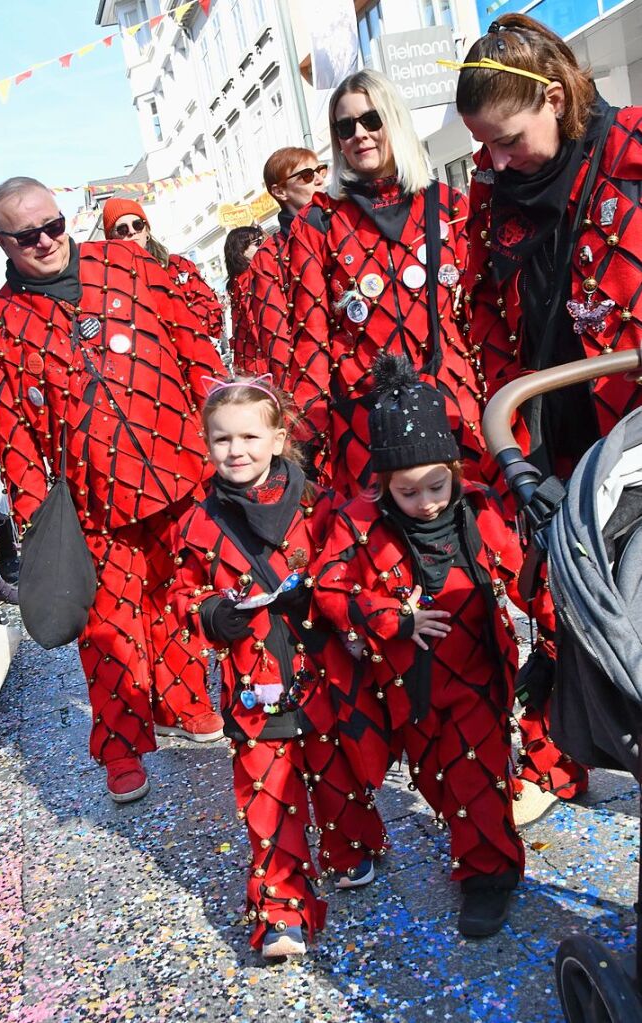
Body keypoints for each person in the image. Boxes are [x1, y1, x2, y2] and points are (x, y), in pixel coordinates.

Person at [0, 176, 226, 803]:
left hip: (179, 462)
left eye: (53, 226)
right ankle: (120, 749)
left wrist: (229, 426)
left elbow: (194, 350)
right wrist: (41, 525)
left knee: (183, 596)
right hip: (92, 499)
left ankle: (185, 700)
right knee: (108, 629)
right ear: (2, 242)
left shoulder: (129, 265)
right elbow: (14, 439)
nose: (45, 242)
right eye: (27, 235)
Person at [455, 13, 642, 808]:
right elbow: (487, 308)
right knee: (561, 591)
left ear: (557, 99)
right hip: (548, 420)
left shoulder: (631, 152)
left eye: (508, 139)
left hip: (630, 429)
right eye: (484, 145)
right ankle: (560, 758)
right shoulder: (493, 191)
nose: (496, 159)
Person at [313, 354, 557, 937]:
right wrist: (394, 618)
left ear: (453, 467)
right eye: (407, 490)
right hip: (406, 686)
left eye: (436, 485)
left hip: (477, 671)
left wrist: (559, 629)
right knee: (435, 779)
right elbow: (328, 585)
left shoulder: (476, 509)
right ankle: (475, 842)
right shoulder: (359, 522)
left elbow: (525, 576)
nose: (425, 501)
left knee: (477, 773)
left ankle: (489, 876)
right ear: (381, 483)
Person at [169, 374, 388, 959]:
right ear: (206, 442)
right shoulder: (196, 519)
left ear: (278, 437)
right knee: (267, 791)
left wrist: (321, 592)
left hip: (322, 666)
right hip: (253, 676)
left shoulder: (319, 505)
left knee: (335, 765)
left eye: (248, 436)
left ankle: (347, 849)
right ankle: (281, 907)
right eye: (221, 439)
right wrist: (210, 612)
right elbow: (181, 591)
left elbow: (352, 567)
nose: (235, 450)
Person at [284, 70, 485, 496]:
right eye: (345, 126)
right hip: (365, 418)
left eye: (371, 120)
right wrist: (305, 432)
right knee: (382, 551)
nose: (359, 134)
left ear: (393, 120)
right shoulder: (318, 223)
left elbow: (477, 313)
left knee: (474, 535)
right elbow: (311, 337)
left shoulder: (449, 205)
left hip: (452, 402)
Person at [235, 150, 327, 381]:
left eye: (320, 170)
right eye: (306, 175)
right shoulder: (269, 256)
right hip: (315, 379)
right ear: (279, 191)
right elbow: (276, 341)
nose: (319, 179)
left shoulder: (345, 225)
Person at [102, 198, 223, 339]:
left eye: (137, 225)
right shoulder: (109, 282)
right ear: (111, 238)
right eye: (122, 229)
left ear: (146, 231)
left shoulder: (177, 267)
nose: (132, 232)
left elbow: (211, 314)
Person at [224, 226, 265, 374]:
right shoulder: (247, 278)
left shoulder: (237, 279)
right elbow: (254, 321)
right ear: (241, 250)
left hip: (247, 355)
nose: (262, 246)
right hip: (258, 358)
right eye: (257, 242)